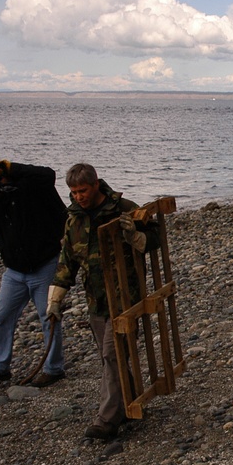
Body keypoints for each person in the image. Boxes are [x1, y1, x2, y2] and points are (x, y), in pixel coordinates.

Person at [45, 164, 159, 441]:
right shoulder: (74, 219)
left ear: (96, 184)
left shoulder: (123, 209)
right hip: (95, 299)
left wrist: (135, 236)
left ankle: (106, 420)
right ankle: (130, 403)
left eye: (82, 191)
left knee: (112, 355)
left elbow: (156, 236)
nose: (78, 197)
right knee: (110, 358)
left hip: (125, 298)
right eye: (73, 192)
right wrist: (55, 298)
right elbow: (67, 259)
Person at [0, 160, 67, 387]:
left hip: (44, 264)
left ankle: (54, 369)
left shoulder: (29, 186)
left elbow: (48, 174)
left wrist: (11, 168)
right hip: (14, 271)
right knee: (2, 317)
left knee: (49, 317)